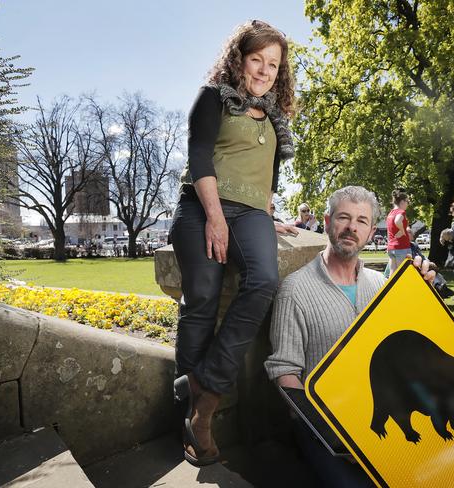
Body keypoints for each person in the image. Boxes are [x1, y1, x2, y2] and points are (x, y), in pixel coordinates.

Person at [169, 20, 298, 466]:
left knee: (263, 281)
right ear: (239, 58)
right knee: (202, 296)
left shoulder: (277, 121)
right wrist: (215, 218)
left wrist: (269, 216)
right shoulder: (212, 98)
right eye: (256, 59)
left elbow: (266, 180)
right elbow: (200, 156)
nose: (264, 70)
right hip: (202, 205)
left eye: (273, 64)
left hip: (252, 214)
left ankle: (202, 387)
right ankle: (193, 420)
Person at [265, 186, 434, 488]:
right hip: (325, 432)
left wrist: (422, 298)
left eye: (361, 221)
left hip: (381, 418)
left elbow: (406, 347)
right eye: (344, 217)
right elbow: (285, 374)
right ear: (328, 222)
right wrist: (335, 438)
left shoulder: (381, 284)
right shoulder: (295, 290)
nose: (351, 228)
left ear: (371, 232)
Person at [384, 188, 411, 277]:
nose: (408, 204)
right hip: (401, 247)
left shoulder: (390, 213)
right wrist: (403, 231)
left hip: (392, 247)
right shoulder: (401, 211)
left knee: (393, 274)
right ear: (402, 201)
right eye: (407, 201)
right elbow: (397, 221)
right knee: (404, 275)